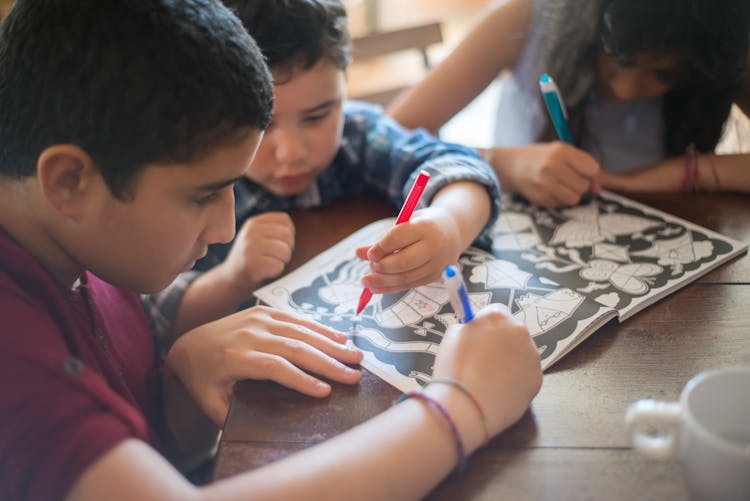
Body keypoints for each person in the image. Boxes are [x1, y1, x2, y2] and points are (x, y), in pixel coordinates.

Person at [0, 1, 542, 500]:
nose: (225, 227)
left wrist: (182, 373)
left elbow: (154, 451)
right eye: (203, 194)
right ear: (69, 181)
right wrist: (458, 408)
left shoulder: (86, 242)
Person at [153, 0, 503, 336]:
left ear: (345, 87)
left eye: (318, 116)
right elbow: (163, 324)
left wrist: (450, 224)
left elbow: (454, 164)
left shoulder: (356, 136)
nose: (291, 152)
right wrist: (233, 278)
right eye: (262, 126)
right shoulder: (194, 182)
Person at [388, 0, 750, 207]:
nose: (624, 90)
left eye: (664, 75)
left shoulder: (719, 41)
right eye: (618, 58)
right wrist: (504, 164)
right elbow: (388, 136)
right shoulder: (525, 19)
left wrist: (687, 171)